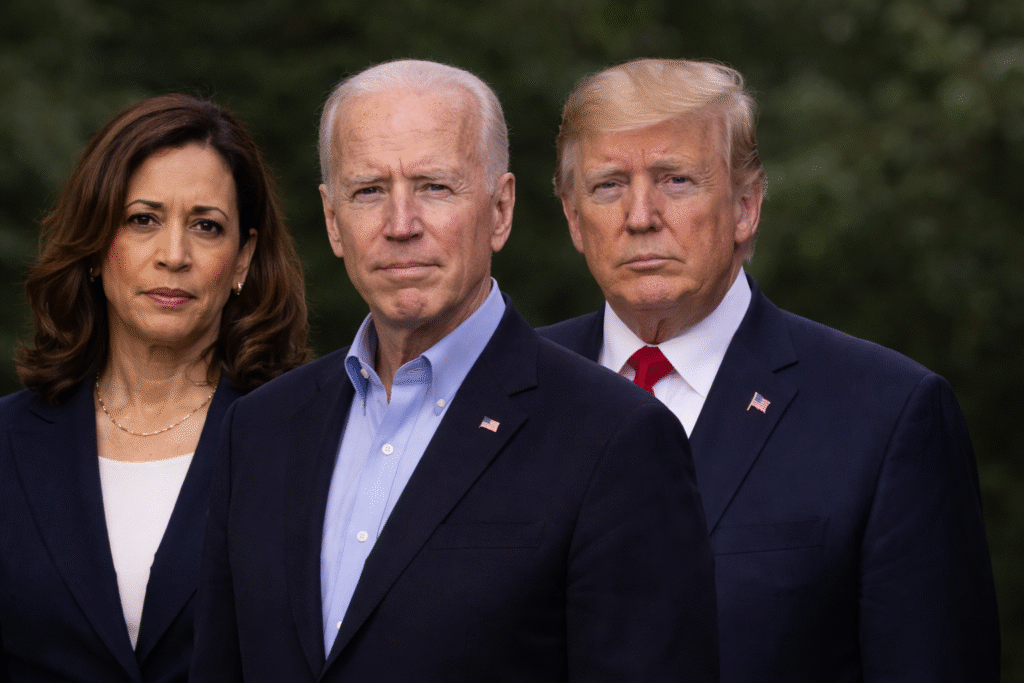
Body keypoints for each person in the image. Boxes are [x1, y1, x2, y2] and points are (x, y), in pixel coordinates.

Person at [191, 59, 718, 683]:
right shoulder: (257, 430)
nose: (400, 225)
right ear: (333, 221)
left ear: (500, 209)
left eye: (434, 187)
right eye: (369, 192)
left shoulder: (617, 438)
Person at [538, 57, 1000, 682]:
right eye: (608, 185)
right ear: (573, 218)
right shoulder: (507, 394)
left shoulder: (887, 416)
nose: (640, 216)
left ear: (746, 207)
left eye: (675, 180)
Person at [0, 93, 311, 682]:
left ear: (242, 259)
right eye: (142, 220)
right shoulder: (6, 443)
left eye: (206, 227)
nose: (175, 255)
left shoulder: (300, 442)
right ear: (95, 246)